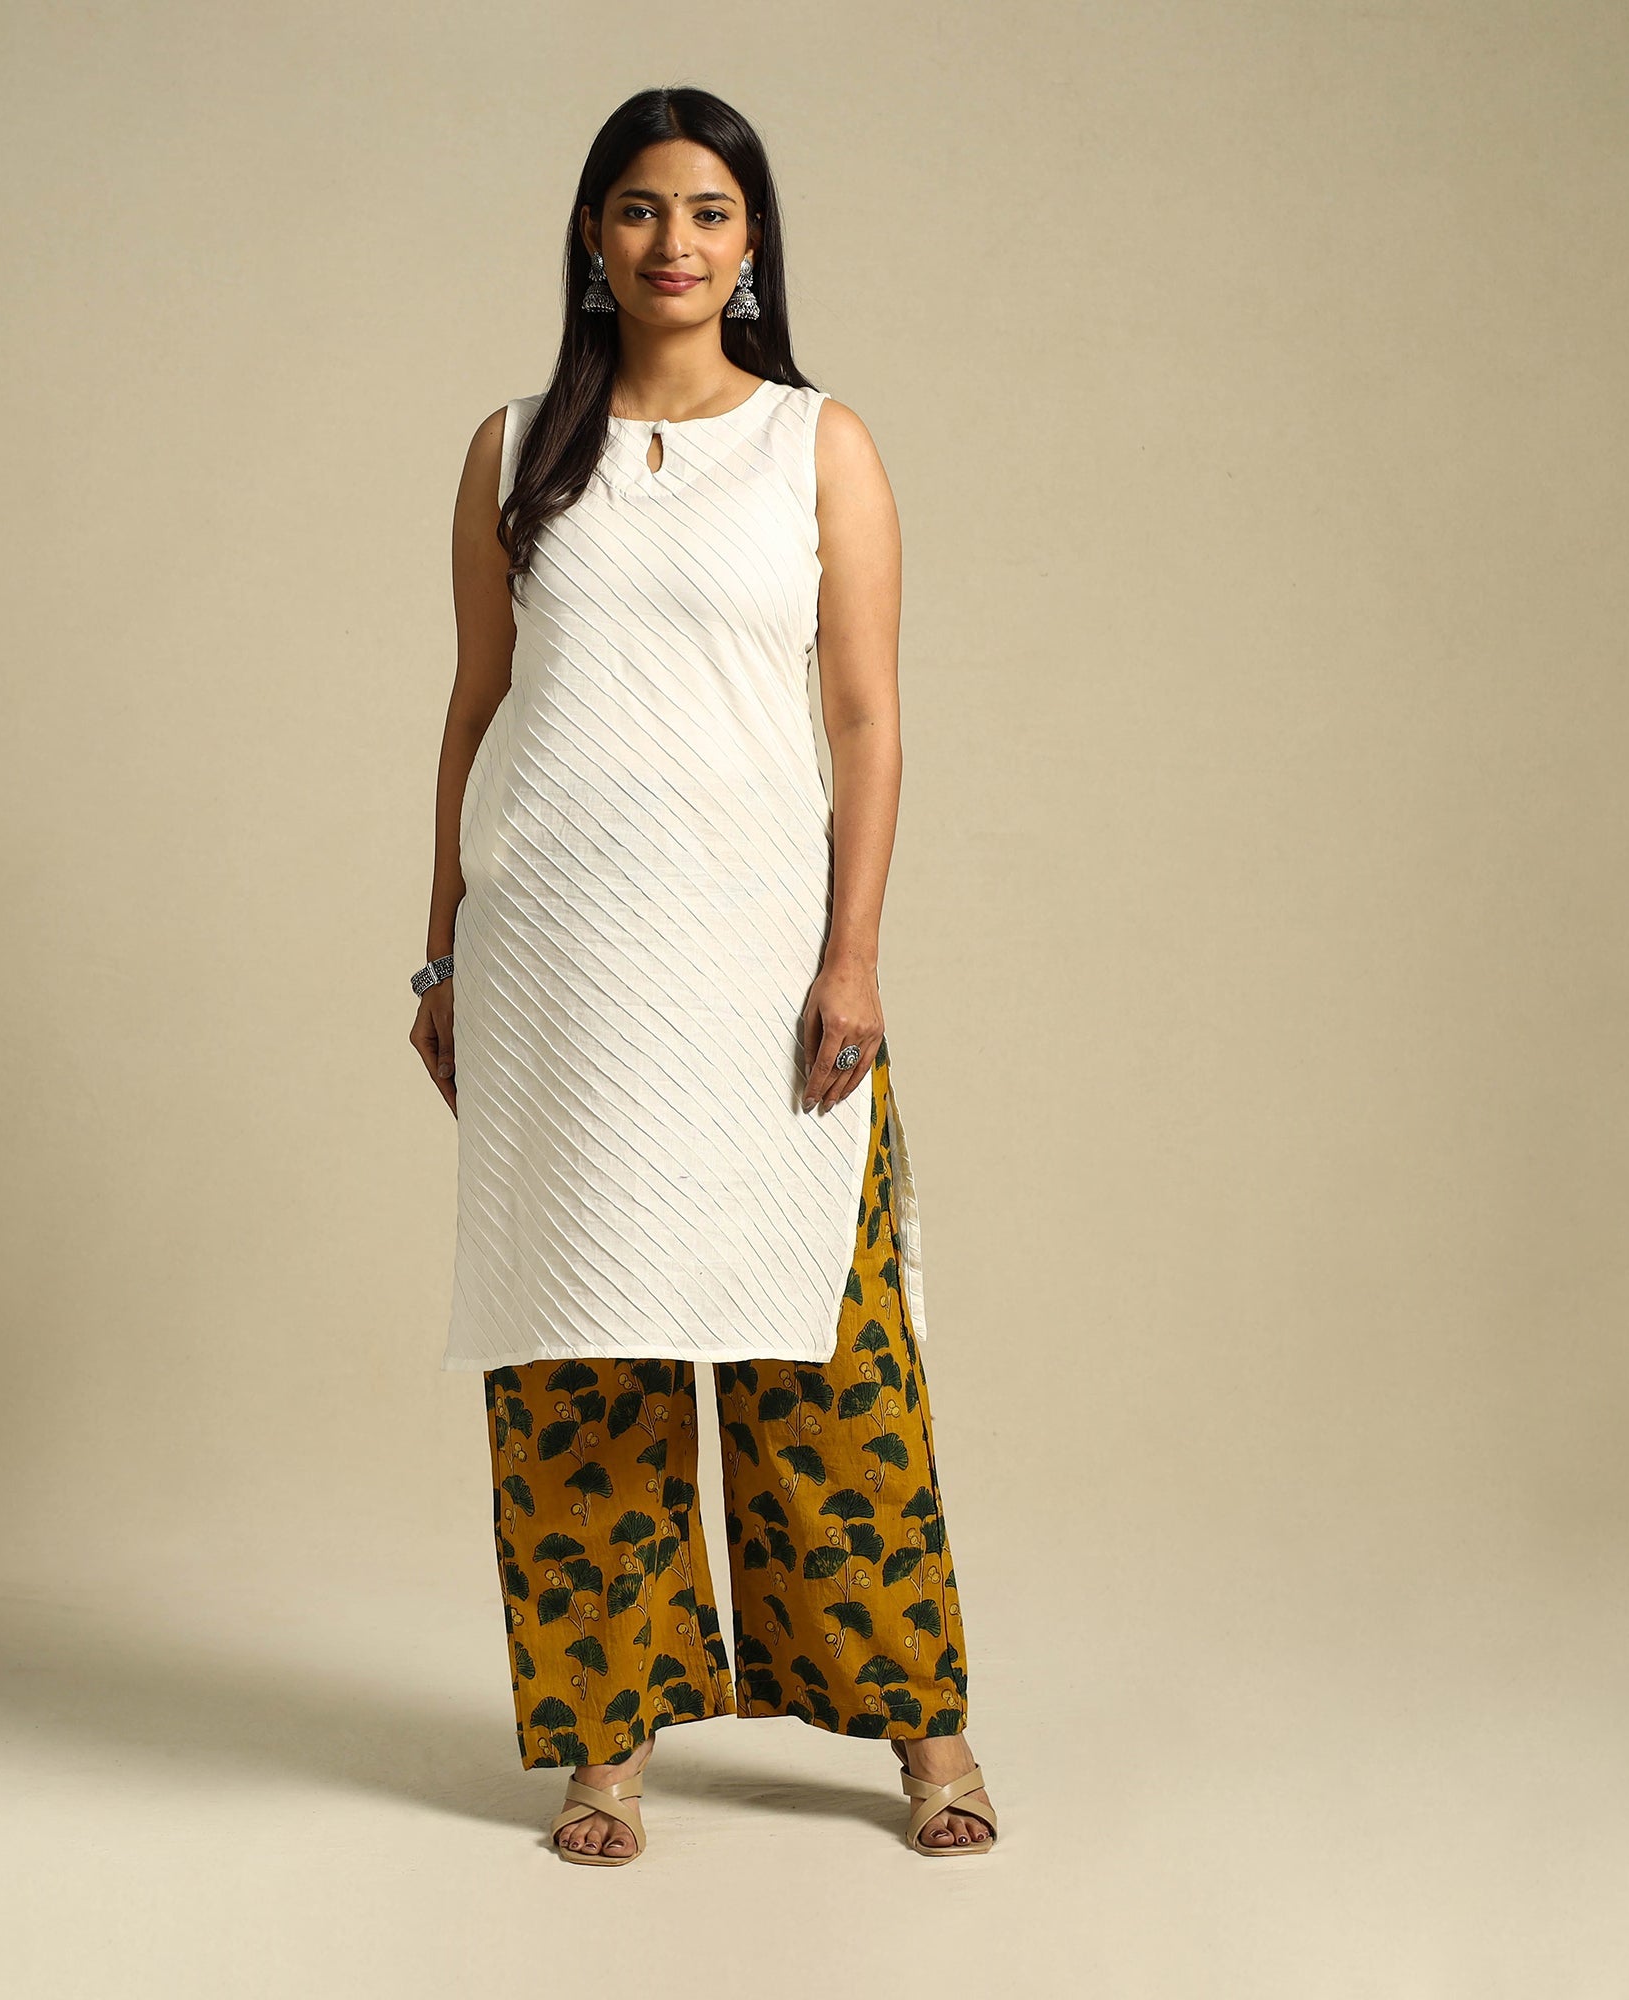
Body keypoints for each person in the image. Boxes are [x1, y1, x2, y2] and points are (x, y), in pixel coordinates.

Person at [410, 85, 998, 1866]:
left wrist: (854, 956)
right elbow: (476, 707)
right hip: (557, 962)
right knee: (582, 1356)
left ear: (752, 246)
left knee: (830, 1358)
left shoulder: (819, 443)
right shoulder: (515, 448)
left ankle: (927, 1734)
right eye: (642, 208)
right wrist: (441, 948)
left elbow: (868, 719)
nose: (675, 241)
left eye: (710, 211)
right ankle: (606, 1747)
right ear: (594, 238)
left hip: (758, 966)